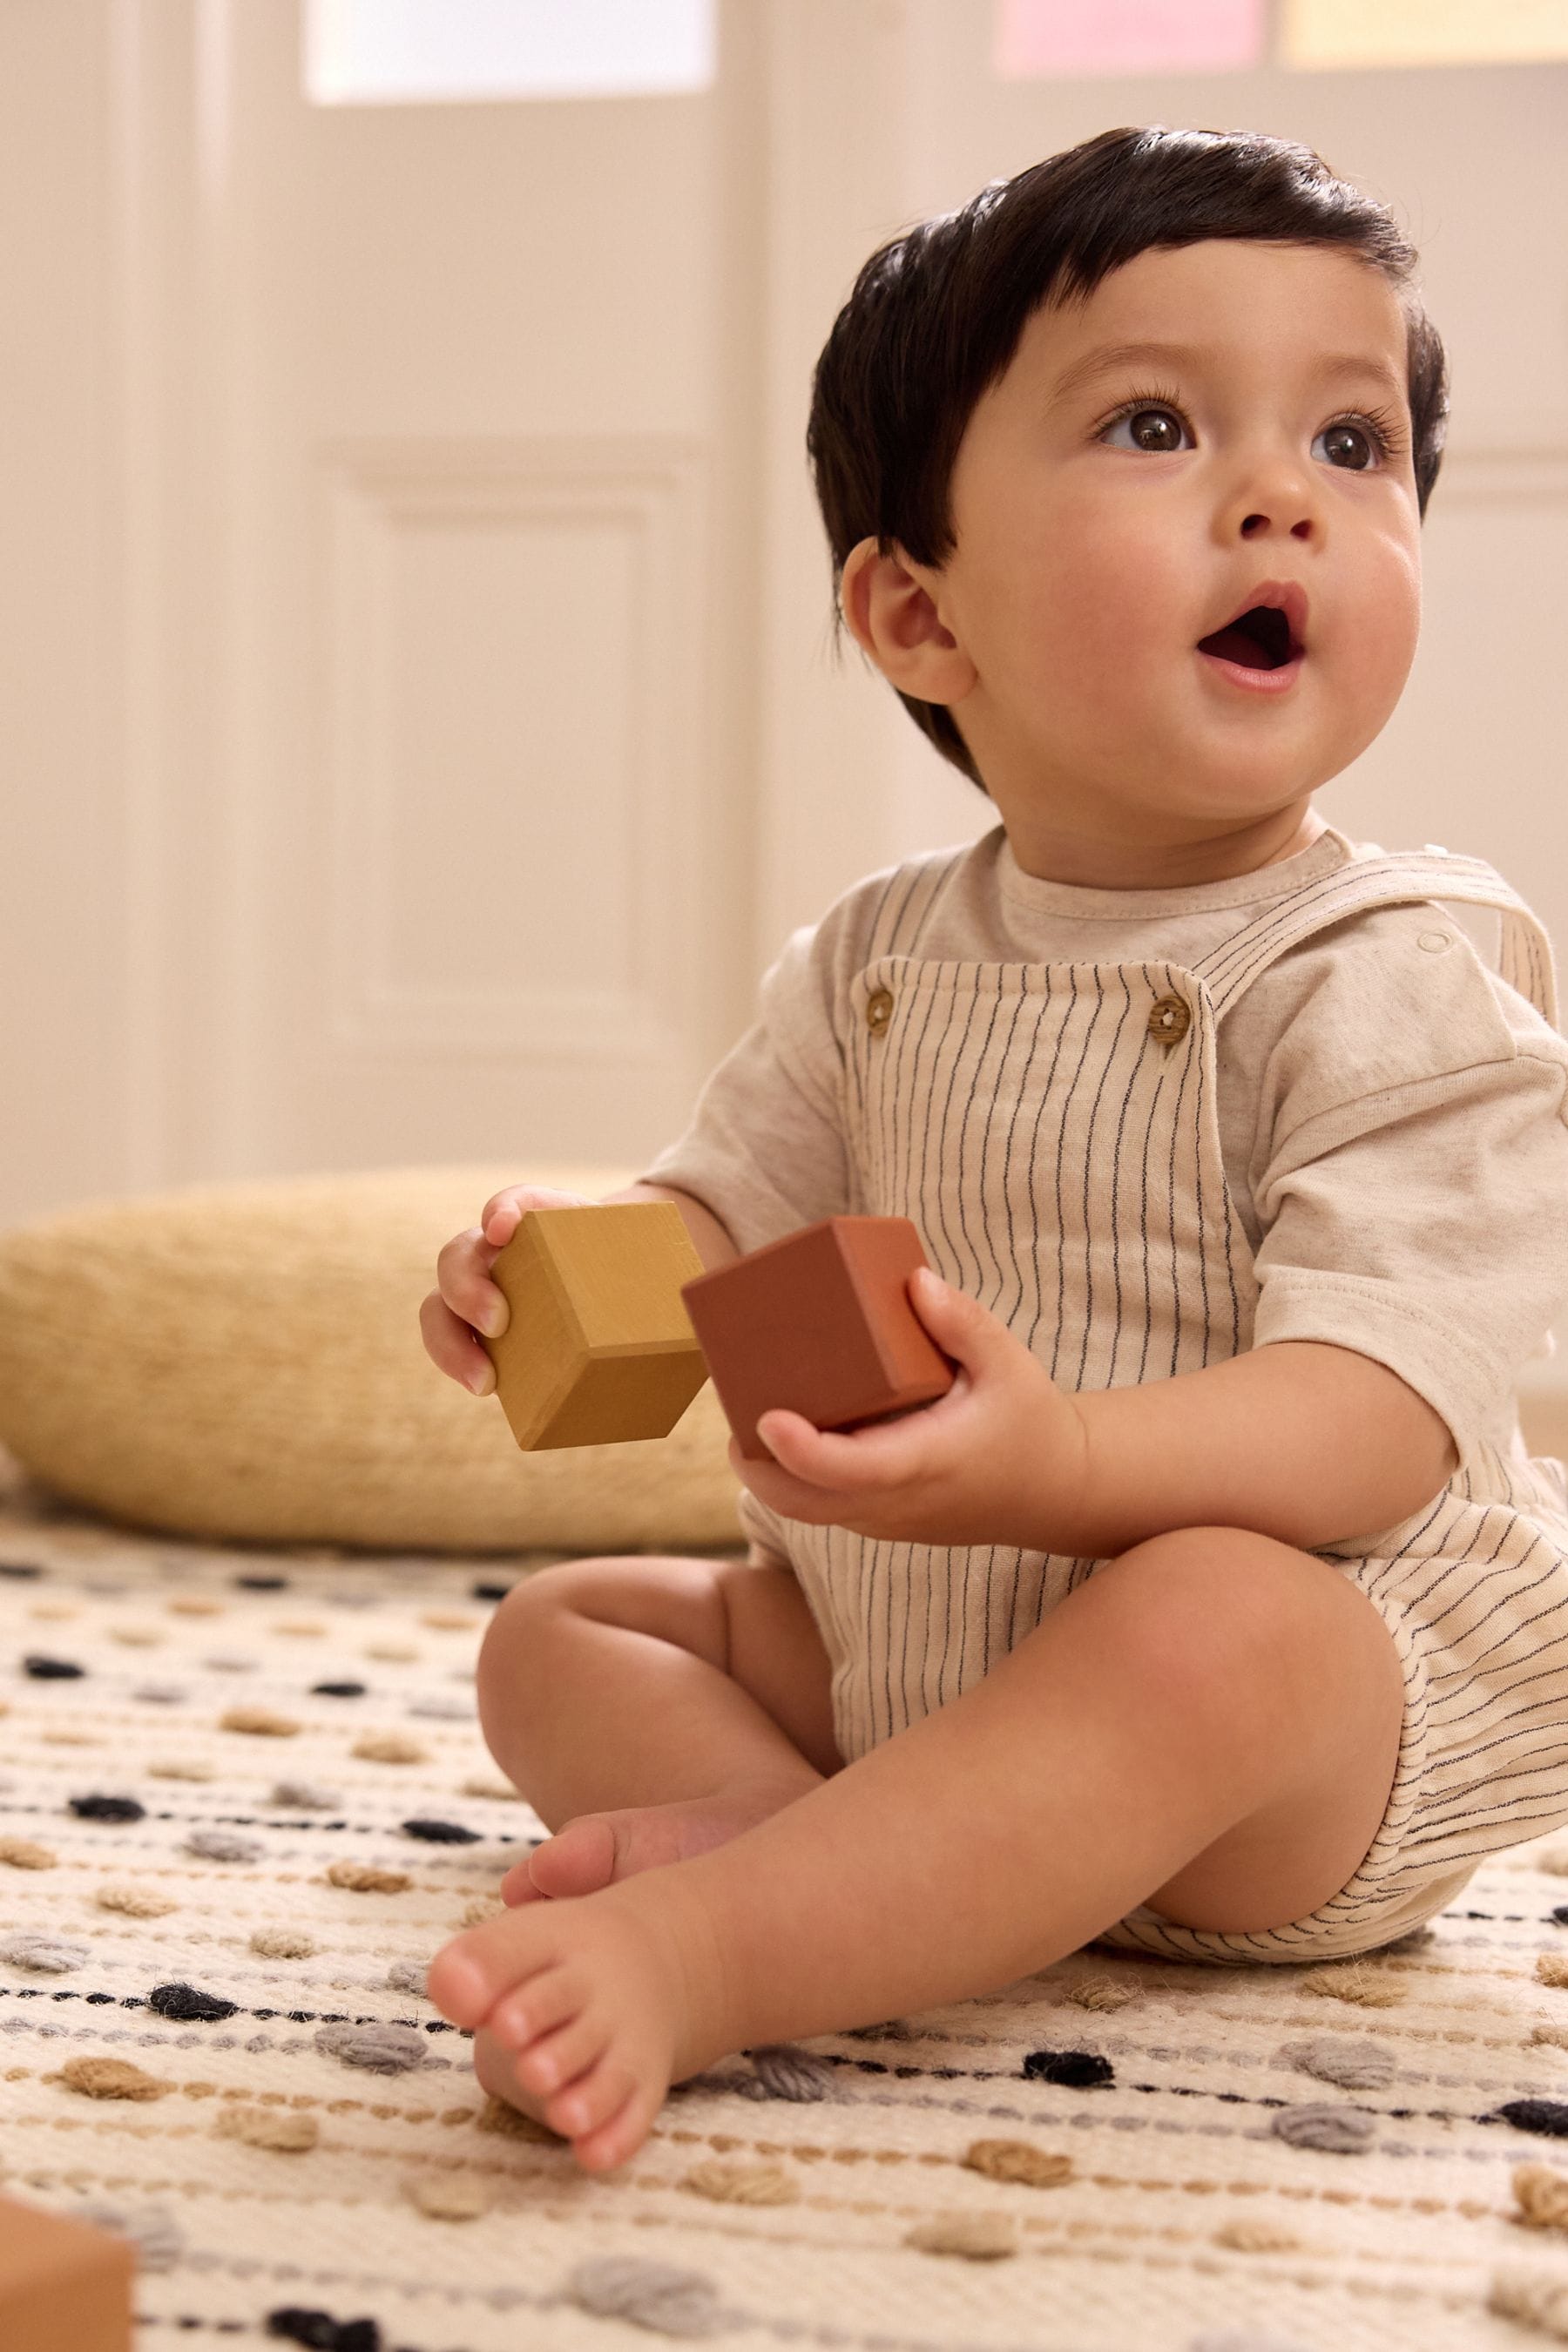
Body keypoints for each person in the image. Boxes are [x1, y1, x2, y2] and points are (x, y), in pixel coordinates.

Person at [419, 125, 1568, 2175]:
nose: (1282, 493)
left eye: (1357, 440)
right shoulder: (872, 958)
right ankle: (864, 1870)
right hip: (919, 1654)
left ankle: (728, 1947)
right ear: (917, 615)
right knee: (556, 1632)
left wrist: (1068, 1471)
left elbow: (1387, 1415)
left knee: (1217, 1607)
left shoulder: (1400, 967)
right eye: (1154, 421)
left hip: (1284, 1742)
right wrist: (561, 1271)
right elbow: (720, 1230)